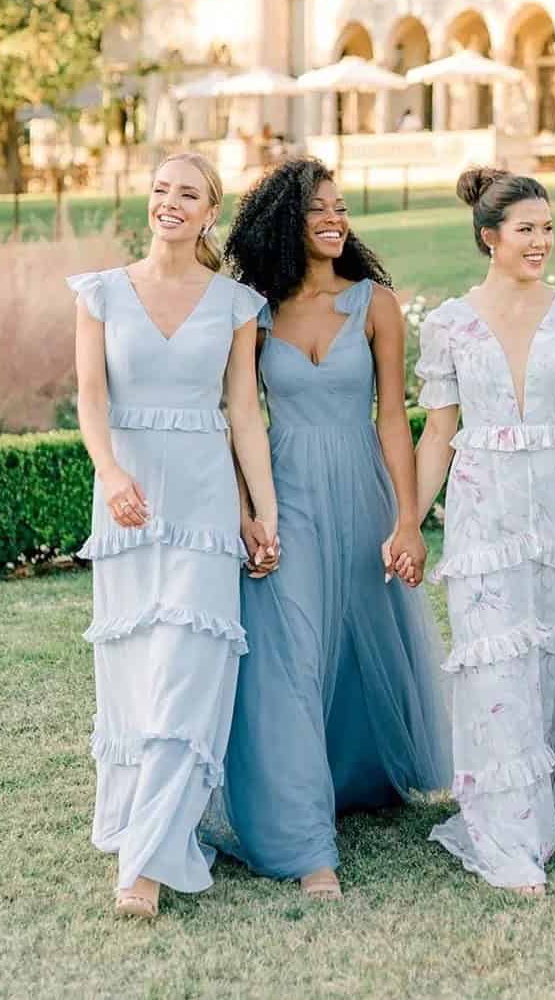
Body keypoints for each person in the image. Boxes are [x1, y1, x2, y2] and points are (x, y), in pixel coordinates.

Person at [213, 158, 451, 900]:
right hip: (286, 492)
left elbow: (392, 420)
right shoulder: (251, 311)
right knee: (288, 651)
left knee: (356, 634)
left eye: (341, 207)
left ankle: (353, 776)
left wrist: (408, 520)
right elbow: (238, 419)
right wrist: (249, 511)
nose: (335, 217)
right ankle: (304, 841)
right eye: (319, 207)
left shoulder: (375, 303)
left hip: (362, 489)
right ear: (286, 219)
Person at [69, 152, 277, 920]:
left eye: (187, 193)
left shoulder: (235, 305)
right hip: (126, 508)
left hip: (203, 504)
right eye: (161, 189)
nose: (170, 202)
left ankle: (145, 868)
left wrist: (265, 511)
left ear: (208, 211)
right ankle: (141, 828)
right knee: (137, 673)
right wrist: (112, 474)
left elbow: (244, 415)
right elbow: (91, 401)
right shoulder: (99, 295)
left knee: (187, 669)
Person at [413, 167, 555, 896]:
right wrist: (409, 519)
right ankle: (504, 830)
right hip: (480, 512)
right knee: (494, 663)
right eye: (525, 229)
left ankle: (534, 803)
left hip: (554, 509)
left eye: (548, 229)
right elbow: (438, 434)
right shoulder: (450, 323)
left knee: (546, 660)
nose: (540, 241)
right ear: (489, 236)